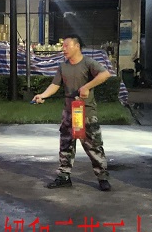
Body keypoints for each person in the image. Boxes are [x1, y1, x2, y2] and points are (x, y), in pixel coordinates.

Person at [33, 34, 112, 191]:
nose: (63, 49)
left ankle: (102, 177)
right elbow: (55, 85)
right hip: (69, 113)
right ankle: (64, 176)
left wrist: (87, 87)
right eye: (63, 46)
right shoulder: (63, 67)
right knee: (66, 145)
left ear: (77, 46)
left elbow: (105, 74)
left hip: (86, 113)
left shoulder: (88, 63)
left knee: (94, 146)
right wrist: (43, 95)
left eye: (66, 46)